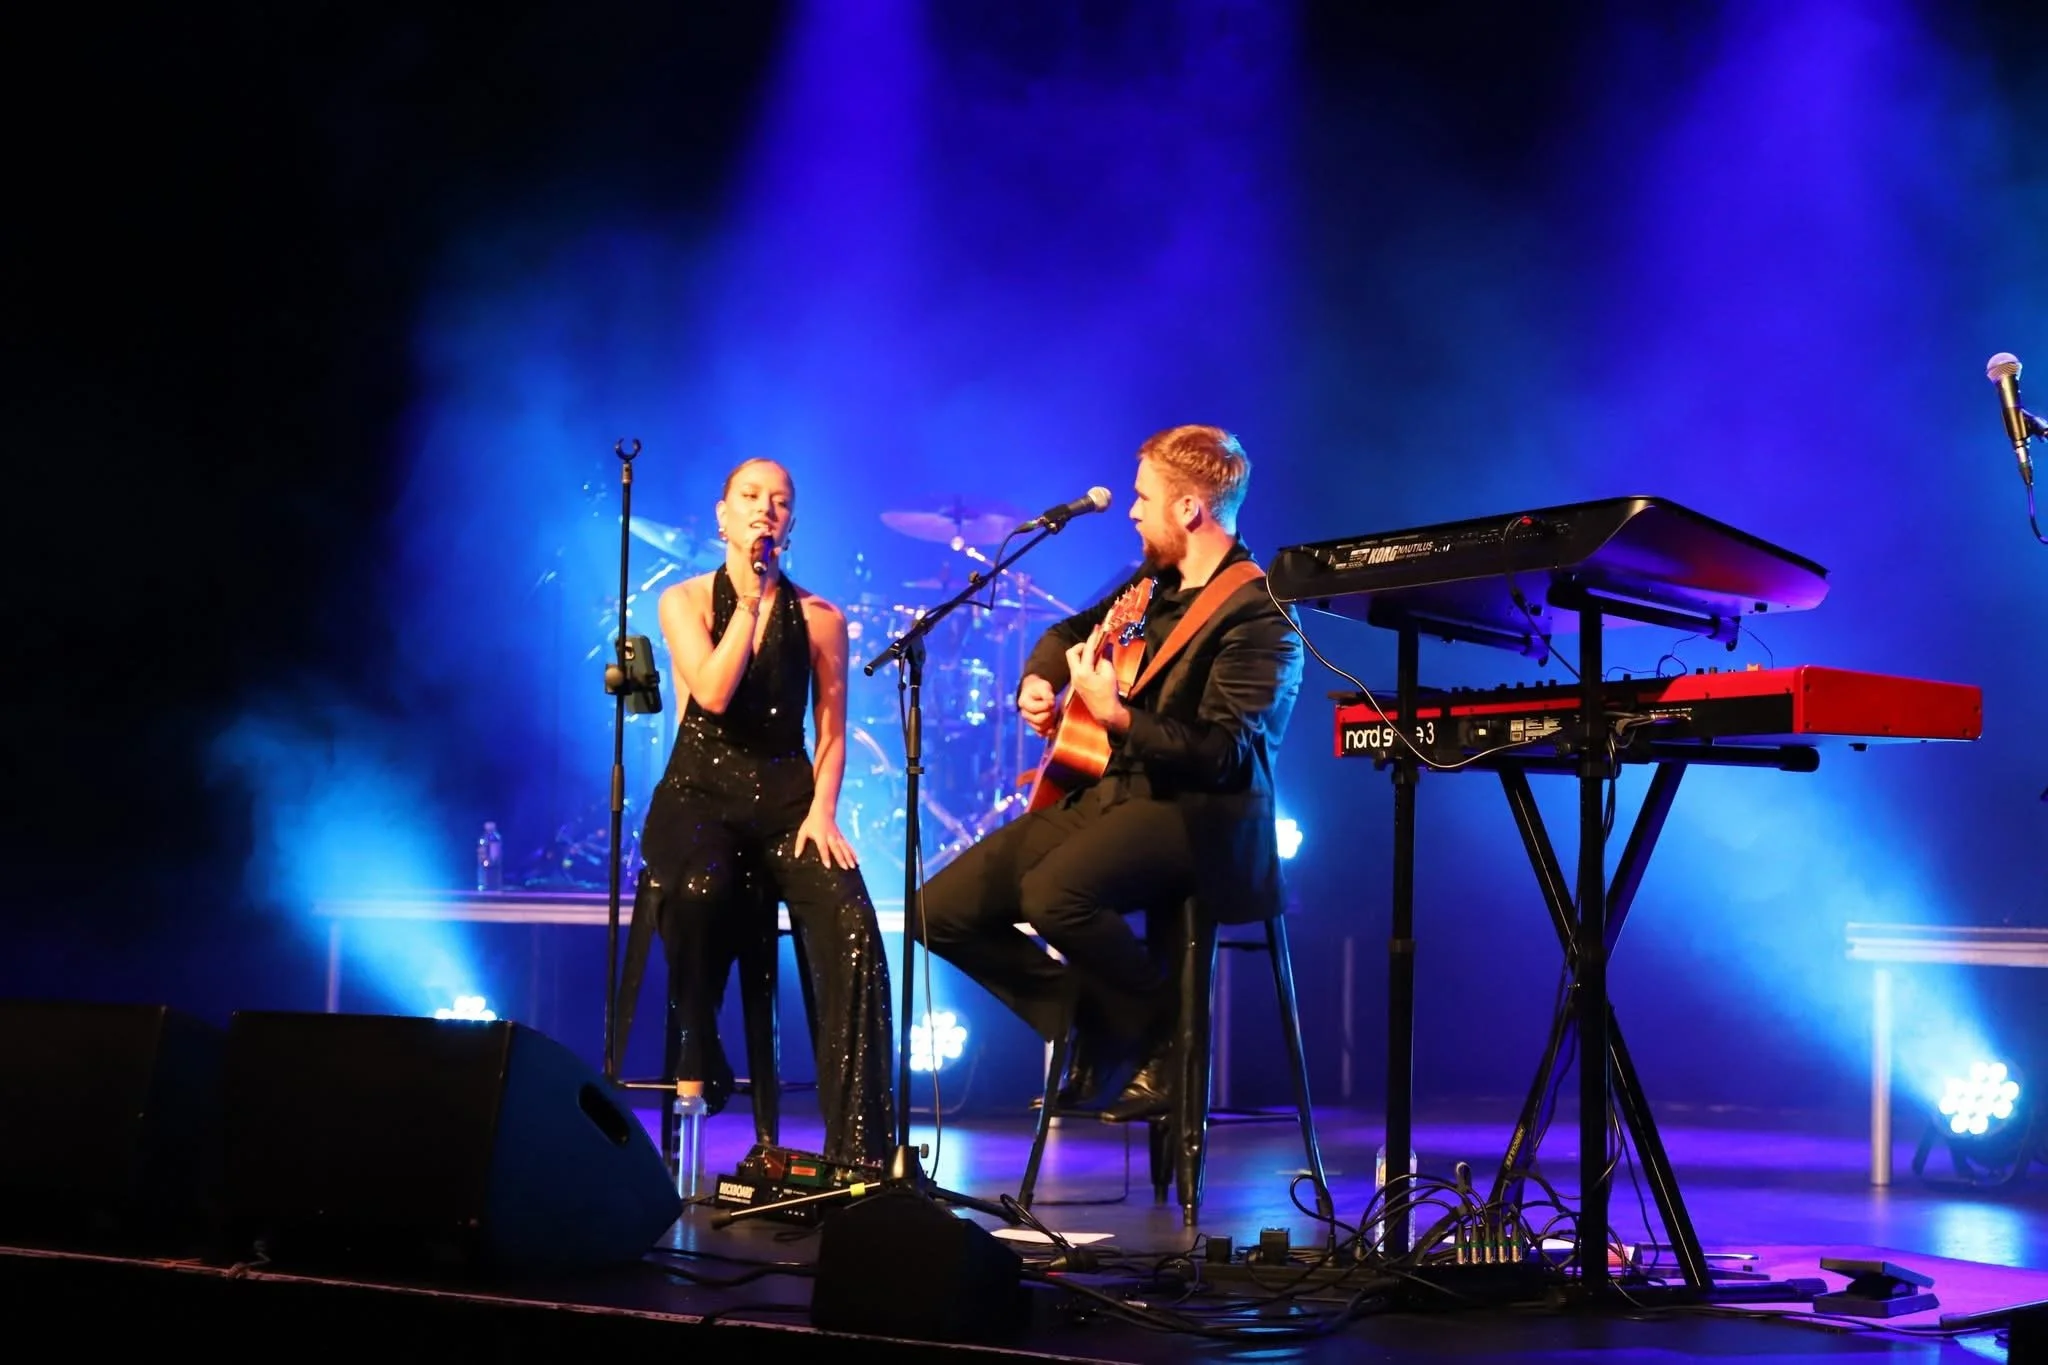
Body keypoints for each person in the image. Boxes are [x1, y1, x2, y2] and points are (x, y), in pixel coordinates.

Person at [919, 424, 1302, 1123]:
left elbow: (1224, 753)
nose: (1131, 510)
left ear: (1189, 508)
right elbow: (1066, 633)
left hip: (1198, 813)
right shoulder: (1152, 581)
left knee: (1051, 894)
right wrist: (1038, 681)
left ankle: (1154, 1021)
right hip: (1113, 791)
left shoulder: (1260, 609)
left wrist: (1118, 717)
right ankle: (1101, 1016)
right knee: (937, 910)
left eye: (1143, 496)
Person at [633, 457, 895, 1167]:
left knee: (853, 922)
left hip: (787, 802)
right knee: (698, 890)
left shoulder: (821, 618)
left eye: (779, 502)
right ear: (722, 515)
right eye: (750, 497)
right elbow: (714, 694)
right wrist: (749, 601)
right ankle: (700, 1045)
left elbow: (833, 731)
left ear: (792, 524)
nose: (764, 511)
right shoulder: (681, 601)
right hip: (698, 793)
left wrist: (825, 810)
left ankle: (862, 1150)